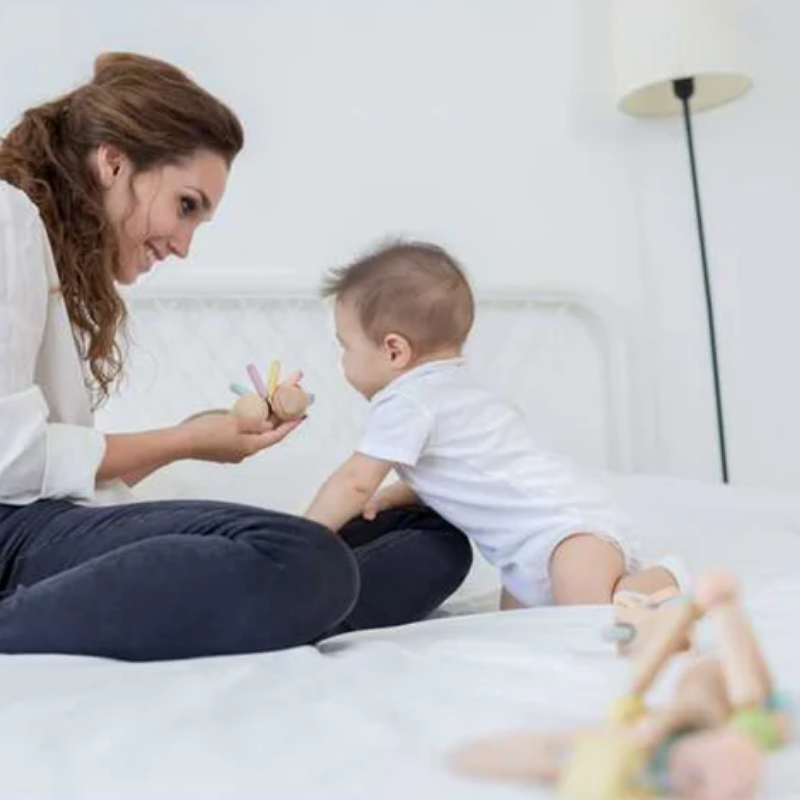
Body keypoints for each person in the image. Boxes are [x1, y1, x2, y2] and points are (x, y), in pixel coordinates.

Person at [0, 53, 472, 661]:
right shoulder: (7, 216)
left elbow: (51, 477)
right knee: (302, 556)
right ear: (114, 162)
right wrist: (184, 442)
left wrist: (198, 434)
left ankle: (274, 600)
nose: (184, 243)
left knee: (432, 539)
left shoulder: (40, 253)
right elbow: (10, 461)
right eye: (186, 205)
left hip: (31, 528)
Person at [305, 240, 685, 610]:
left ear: (394, 350)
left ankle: (665, 579)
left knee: (586, 613)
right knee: (520, 631)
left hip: (567, 530)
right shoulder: (455, 393)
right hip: (524, 556)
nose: (343, 360)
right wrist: (390, 496)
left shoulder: (405, 401)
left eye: (345, 346)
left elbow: (354, 481)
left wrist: (302, 536)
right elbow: (454, 475)